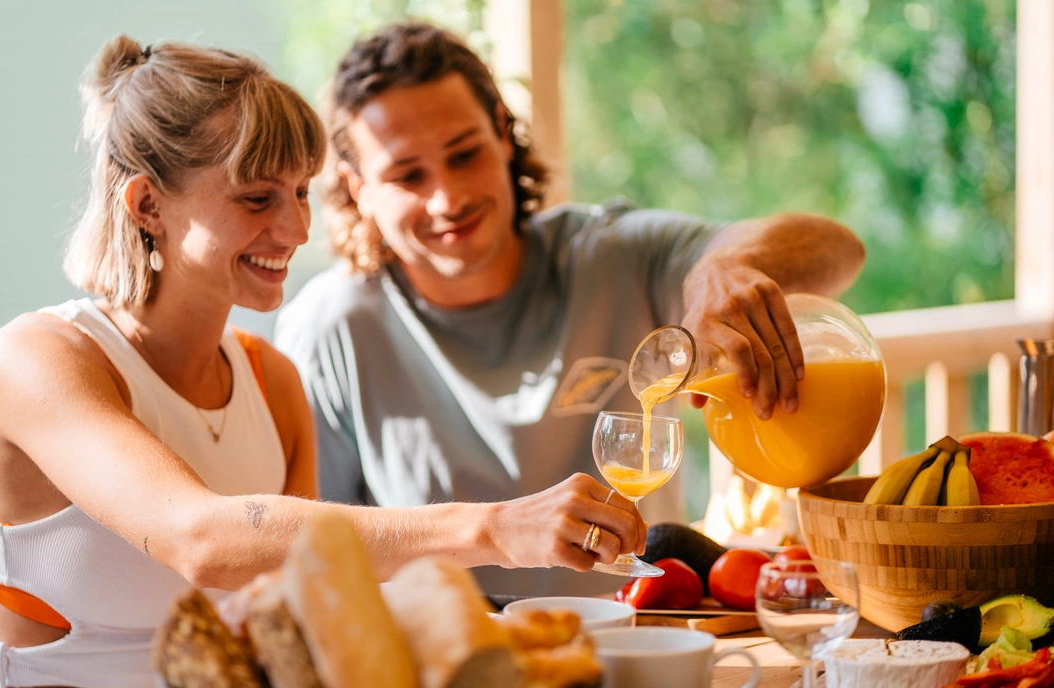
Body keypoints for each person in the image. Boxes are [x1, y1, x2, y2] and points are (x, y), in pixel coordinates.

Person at [0, 36, 645, 688]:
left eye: (300, 192)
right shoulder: (37, 360)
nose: (298, 229)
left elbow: (288, 617)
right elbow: (202, 540)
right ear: (148, 204)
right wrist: (497, 529)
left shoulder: (272, 382)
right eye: (256, 198)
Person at [275, 21, 867, 597]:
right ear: (358, 189)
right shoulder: (331, 329)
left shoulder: (613, 256)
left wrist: (723, 268)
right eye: (408, 175)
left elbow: (838, 250)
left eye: (465, 154)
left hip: (635, 641)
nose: (447, 198)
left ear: (502, 134)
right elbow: (311, 550)